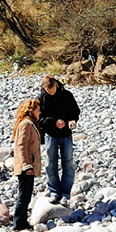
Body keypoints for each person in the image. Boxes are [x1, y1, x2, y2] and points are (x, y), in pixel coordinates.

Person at [37, 76, 80, 204]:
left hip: (66, 134)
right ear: (44, 88)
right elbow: (39, 119)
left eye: (53, 89)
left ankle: (66, 193)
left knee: (68, 163)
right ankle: (54, 191)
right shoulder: (40, 100)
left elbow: (75, 111)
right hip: (50, 135)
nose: (52, 92)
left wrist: (72, 120)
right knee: (50, 163)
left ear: (56, 84)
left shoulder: (67, 95)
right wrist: (54, 122)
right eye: (49, 90)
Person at [12, 99, 43, 231]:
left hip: (29, 165)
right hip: (26, 167)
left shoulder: (30, 123)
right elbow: (21, 146)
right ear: (32, 110)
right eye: (38, 109)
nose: (40, 112)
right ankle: (18, 224)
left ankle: (23, 222)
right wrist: (26, 165)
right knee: (24, 195)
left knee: (27, 194)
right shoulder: (26, 124)